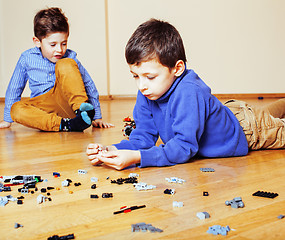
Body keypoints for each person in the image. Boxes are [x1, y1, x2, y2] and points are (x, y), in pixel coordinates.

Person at [86, 18, 285, 170]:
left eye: (150, 77)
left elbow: (184, 147)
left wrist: (139, 158)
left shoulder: (189, 92)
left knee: (269, 120)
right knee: (273, 109)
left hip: (248, 129)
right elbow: (143, 138)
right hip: (231, 113)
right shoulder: (148, 93)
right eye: (136, 76)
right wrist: (112, 150)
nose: (142, 85)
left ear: (177, 68)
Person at [0, 7, 113, 131]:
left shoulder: (70, 57)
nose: (59, 49)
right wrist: (7, 119)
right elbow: (14, 88)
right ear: (37, 42)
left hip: (69, 104)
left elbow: (88, 84)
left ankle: (81, 111)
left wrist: (97, 116)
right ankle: (67, 125)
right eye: (53, 45)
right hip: (43, 109)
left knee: (65, 63)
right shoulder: (27, 59)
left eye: (64, 43)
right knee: (15, 109)